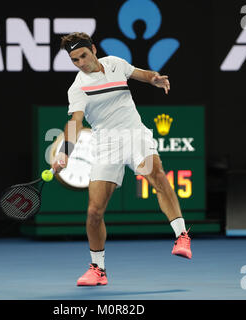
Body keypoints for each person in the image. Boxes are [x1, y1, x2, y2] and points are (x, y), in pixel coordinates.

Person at [51, 32, 192, 286]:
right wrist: (65, 151)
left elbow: (143, 75)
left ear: (93, 49)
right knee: (94, 212)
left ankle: (181, 235)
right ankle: (98, 269)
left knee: (156, 174)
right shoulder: (78, 88)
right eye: (74, 60)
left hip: (134, 135)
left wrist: (155, 79)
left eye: (83, 55)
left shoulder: (116, 63)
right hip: (106, 145)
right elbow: (75, 122)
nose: (81, 62)